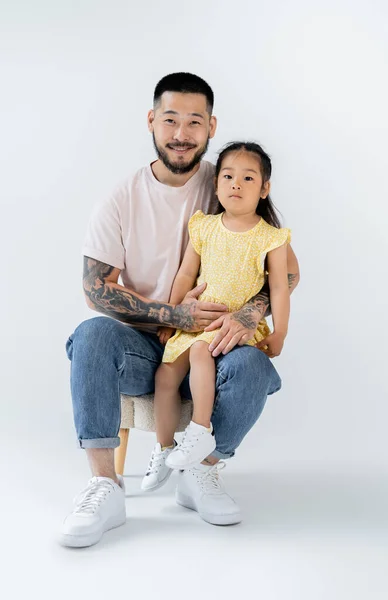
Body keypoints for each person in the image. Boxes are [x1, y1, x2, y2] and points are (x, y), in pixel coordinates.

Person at [61, 72, 300, 548]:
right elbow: (95, 290)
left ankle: (202, 471)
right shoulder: (121, 198)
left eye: (194, 121)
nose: (181, 133)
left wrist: (250, 314)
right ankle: (105, 486)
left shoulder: (231, 179)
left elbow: (288, 272)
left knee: (252, 364)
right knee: (91, 333)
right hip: (146, 349)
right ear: (152, 121)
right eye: (170, 119)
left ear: (211, 127)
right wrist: (174, 317)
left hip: (215, 345)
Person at [142, 141, 291, 490]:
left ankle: (200, 430)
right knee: (165, 376)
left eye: (248, 178)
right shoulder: (204, 227)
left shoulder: (270, 237)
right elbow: (184, 275)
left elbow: (280, 288)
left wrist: (280, 331)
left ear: (264, 188)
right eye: (228, 176)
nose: (236, 184)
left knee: (199, 354)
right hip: (194, 325)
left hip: (231, 330)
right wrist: (172, 317)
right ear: (216, 184)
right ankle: (164, 448)